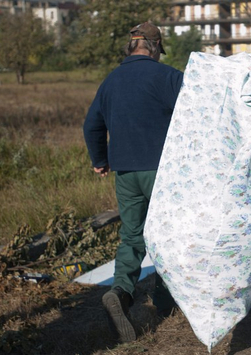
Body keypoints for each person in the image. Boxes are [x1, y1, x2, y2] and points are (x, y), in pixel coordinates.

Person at [82, 21, 183, 343]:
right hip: (161, 172)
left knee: (132, 236)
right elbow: (196, 113)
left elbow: (91, 125)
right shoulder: (166, 75)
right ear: (154, 47)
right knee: (167, 235)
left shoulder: (110, 81)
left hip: (125, 172)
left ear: (131, 47)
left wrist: (100, 161)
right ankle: (165, 302)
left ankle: (121, 291)